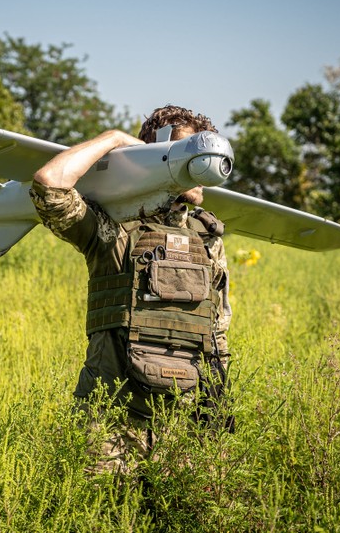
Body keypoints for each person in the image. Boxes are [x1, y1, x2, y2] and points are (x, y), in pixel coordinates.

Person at [29, 105, 233, 474]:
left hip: (181, 426)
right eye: (191, 152)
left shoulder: (207, 238)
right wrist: (114, 141)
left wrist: (215, 414)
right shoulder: (115, 229)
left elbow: (216, 333)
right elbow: (50, 183)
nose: (202, 164)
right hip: (111, 425)